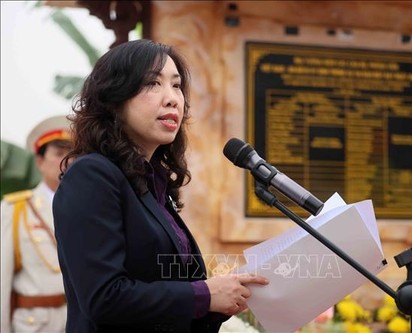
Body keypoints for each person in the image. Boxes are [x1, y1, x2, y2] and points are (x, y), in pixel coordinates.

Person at [52, 39, 269, 333]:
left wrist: (225, 298)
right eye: (153, 84)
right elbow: (103, 298)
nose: (172, 99)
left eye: (177, 85)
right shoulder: (93, 175)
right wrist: (205, 295)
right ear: (114, 99)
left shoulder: (152, 183)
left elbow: (168, 300)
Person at [1, 115, 72, 332]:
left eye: (74, 154)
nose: (67, 161)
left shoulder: (93, 208)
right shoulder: (15, 208)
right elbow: (2, 281)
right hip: (34, 325)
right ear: (40, 161)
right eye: (59, 153)